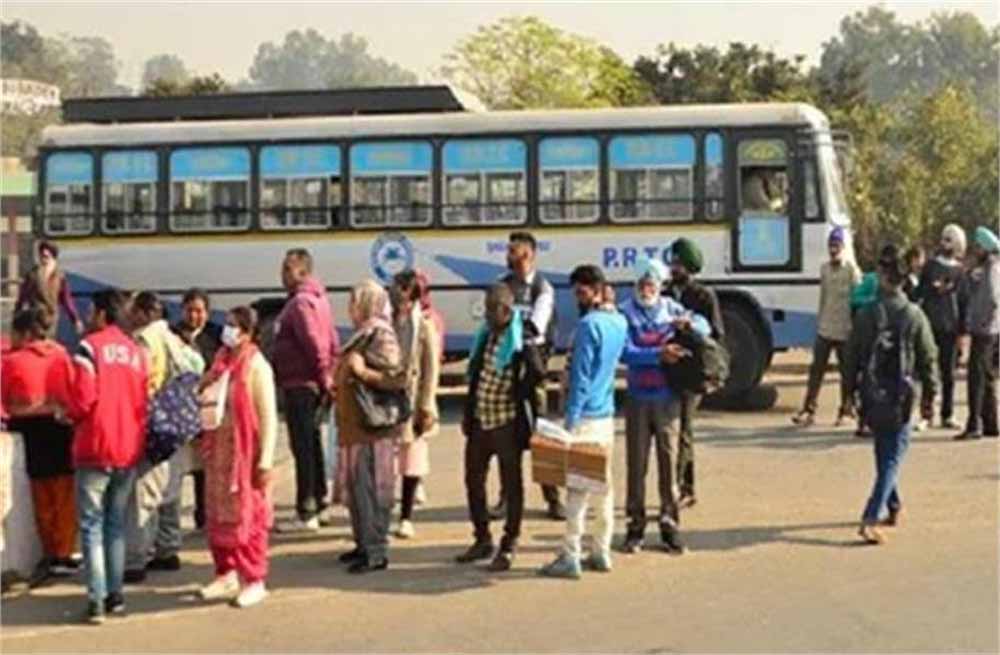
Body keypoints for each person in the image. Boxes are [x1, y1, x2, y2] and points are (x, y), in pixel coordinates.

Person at [845, 244, 938, 545]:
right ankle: (870, 518)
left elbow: (851, 357)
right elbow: (928, 358)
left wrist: (848, 395)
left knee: (884, 452)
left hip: (872, 395)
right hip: (902, 396)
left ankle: (894, 505)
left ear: (882, 276)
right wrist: (930, 397)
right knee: (893, 457)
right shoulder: (914, 315)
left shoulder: (866, 315)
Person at [65, 289, 148, 624]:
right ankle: (116, 596)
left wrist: (66, 413)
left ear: (101, 313)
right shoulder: (136, 352)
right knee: (115, 524)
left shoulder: (89, 348)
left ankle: (96, 599)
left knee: (91, 525)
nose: (87, 317)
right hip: (128, 447)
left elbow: (83, 400)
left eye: (91, 311)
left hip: (95, 446)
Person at [539, 265, 627, 579]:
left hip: (585, 417)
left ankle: (570, 554)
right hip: (605, 415)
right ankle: (601, 551)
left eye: (582, 292)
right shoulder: (619, 321)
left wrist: (569, 421)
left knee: (577, 491)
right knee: (604, 487)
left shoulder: (589, 326)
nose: (578, 298)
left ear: (597, 291)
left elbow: (581, 378)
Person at [619, 258, 710, 555]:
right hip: (638, 398)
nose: (647, 288)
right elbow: (626, 352)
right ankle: (635, 526)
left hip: (667, 398)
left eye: (652, 284)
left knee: (669, 463)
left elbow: (705, 327)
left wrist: (690, 325)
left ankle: (670, 524)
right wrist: (659, 354)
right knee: (637, 465)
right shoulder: (625, 312)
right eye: (642, 283)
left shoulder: (671, 309)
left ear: (660, 285)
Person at [456, 283, 544, 573]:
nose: (487, 314)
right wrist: (468, 414)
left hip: (507, 422)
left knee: (512, 484)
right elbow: (476, 375)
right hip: (481, 420)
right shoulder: (486, 335)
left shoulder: (521, 336)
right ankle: (482, 537)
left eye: (492, 309)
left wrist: (518, 392)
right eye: (486, 308)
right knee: (473, 480)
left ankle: (509, 543)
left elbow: (537, 371)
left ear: (507, 310)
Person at [197, 307, 278, 608]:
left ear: (248, 332)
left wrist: (265, 461)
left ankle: (254, 580)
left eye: (234, 326)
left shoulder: (257, 366)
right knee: (218, 516)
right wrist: (204, 383)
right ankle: (225, 573)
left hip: (245, 457)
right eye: (227, 324)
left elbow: (268, 418)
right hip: (219, 455)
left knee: (248, 518)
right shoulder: (221, 362)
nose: (227, 331)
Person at [124, 292, 204, 582]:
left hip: (154, 421)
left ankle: (136, 559)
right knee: (170, 489)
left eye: (132, 309)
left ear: (144, 313)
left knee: (145, 493)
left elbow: (141, 380)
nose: (128, 315)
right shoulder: (175, 339)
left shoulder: (146, 340)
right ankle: (168, 549)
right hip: (177, 423)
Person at [1, 308, 78, 581]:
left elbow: (4, 402)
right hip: (61, 429)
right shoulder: (62, 355)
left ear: (24, 334)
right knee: (64, 496)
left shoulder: (12, 362)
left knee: (41, 497)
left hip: (29, 432)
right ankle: (65, 552)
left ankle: (50, 552)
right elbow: (73, 391)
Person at [335, 281, 405, 574]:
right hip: (355, 429)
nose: (351, 308)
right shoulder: (364, 333)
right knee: (357, 491)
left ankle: (376, 550)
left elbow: (396, 377)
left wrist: (362, 372)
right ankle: (362, 543)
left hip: (373, 429)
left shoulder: (382, 335)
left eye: (355, 302)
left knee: (372, 491)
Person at [497, 231, 564, 521]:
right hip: (507, 368)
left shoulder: (542, 288)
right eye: (509, 252)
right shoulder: (502, 286)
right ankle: (506, 498)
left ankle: (553, 498)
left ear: (529, 255)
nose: (511, 258)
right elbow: (494, 321)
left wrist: (513, 330)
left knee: (541, 436)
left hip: (533, 370)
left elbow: (536, 326)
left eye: (516, 252)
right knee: (505, 438)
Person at [272, 248, 339, 533]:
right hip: (310, 383)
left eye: (287, 269)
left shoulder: (300, 303)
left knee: (303, 448)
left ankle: (306, 509)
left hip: (301, 384)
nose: (282, 275)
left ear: (300, 271)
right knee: (312, 444)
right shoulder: (319, 299)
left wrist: (324, 375)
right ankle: (320, 501)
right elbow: (332, 340)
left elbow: (315, 343)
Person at [664, 237, 724, 509]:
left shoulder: (703, 296)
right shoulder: (665, 294)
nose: (673, 268)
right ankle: (682, 486)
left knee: (684, 430)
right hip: (668, 369)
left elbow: (717, 334)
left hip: (693, 371)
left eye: (678, 263)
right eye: (672, 263)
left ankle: (680, 488)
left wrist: (691, 329)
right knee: (671, 430)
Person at [792, 227, 862, 427]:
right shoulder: (824, 269)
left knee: (847, 373)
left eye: (836, 246)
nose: (833, 250)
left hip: (845, 330)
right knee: (816, 371)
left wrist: (856, 328)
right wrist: (818, 321)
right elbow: (823, 298)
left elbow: (857, 301)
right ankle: (808, 410)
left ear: (843, 247)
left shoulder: (852, 271)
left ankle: (846, 410)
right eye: (831, 246)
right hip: (825, 328)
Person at [390, 271, 441, 540]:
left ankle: (406, 516)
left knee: (411, 461)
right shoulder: (389, 320)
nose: (393, 292)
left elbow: (431, 370)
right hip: (389, 398)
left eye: (398, 288)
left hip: (412, 400)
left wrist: (426, 406)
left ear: (409, 292)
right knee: (389, 460)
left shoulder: (423, 325)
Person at [172, 288, 224, 531]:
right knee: (180, 465)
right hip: (181, 408)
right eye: (190, 310)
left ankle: (204, 515)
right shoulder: (173, 335)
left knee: (206, 466)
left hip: (207, 408)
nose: (194, 316)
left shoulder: (216, 336)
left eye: (199, 311)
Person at [915, 225, 967, 431]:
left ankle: (947, 414)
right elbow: (919, 292)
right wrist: (933, 288)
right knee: (928, 370)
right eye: (944, 239)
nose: (945, 244)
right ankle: (926, 414)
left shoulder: (960, 271)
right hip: (930, 324)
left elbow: (963, 302)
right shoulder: (930, 266)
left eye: (949, 241)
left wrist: (962, 332)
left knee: (948, 373)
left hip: (950, 328)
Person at [954, 227, 1000, 441]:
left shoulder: (991, 269)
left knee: (976, 378)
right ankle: (991, 423)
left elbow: (991, 299)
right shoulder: (988, 268)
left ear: (985, 248)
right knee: (987, 376)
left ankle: (975, 424)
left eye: (978, 247)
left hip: (984, 330)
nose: (975, 250)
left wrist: (979, 321)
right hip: (989, 329)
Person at [15, 240, 84, 338]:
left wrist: (75, 319)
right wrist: (17, 314)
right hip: (35, 319)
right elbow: (23, 296)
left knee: (48, 343)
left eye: (47, 255)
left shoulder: (60, 277)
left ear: (53, 257)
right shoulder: (32, 275)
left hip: (51, 320)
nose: (44, 257)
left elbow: (66, 300)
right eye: (42, 255)